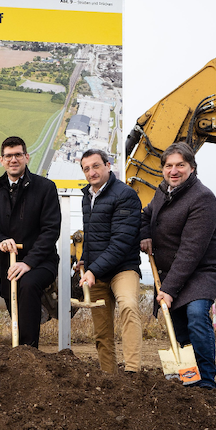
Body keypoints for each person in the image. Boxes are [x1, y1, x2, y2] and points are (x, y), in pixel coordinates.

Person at [139, 142, 216, 388]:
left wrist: (169, 289)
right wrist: (145, 234)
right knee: (177, 327)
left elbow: (191, 250)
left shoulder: (203, 198)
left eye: (180, 165)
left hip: (200, 272)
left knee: (196, 315)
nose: (173, 171)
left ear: (192, 168)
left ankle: (206, 382)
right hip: (170, 273)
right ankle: (189, 378)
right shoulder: (163, 191)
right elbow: (146, 215)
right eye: (168, 166)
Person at [0, 136, 61, 349]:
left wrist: (28, 263)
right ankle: (27, 336)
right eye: (8, 156)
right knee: (10, 295)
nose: (13, 159)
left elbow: (50, 230)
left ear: (26, 157)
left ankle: (28, 352)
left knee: (26, 286)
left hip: (40, 261)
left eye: (18, 154)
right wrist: (1, 241)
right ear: (1, 160)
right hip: (8, 262)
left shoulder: (45, 188)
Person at [77, 149, 143, 374]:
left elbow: (121, 242)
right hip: (96, 271)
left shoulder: (125, 195)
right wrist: (85, 260)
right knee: (102, 332)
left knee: (128, 306)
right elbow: (92, 234)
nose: (91, 172)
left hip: (123, 269)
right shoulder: (87, 196)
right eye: (86, 169)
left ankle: (133, 372)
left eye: (96, 166)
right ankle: (110, 378)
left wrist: (93, 269)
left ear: (108, 165)